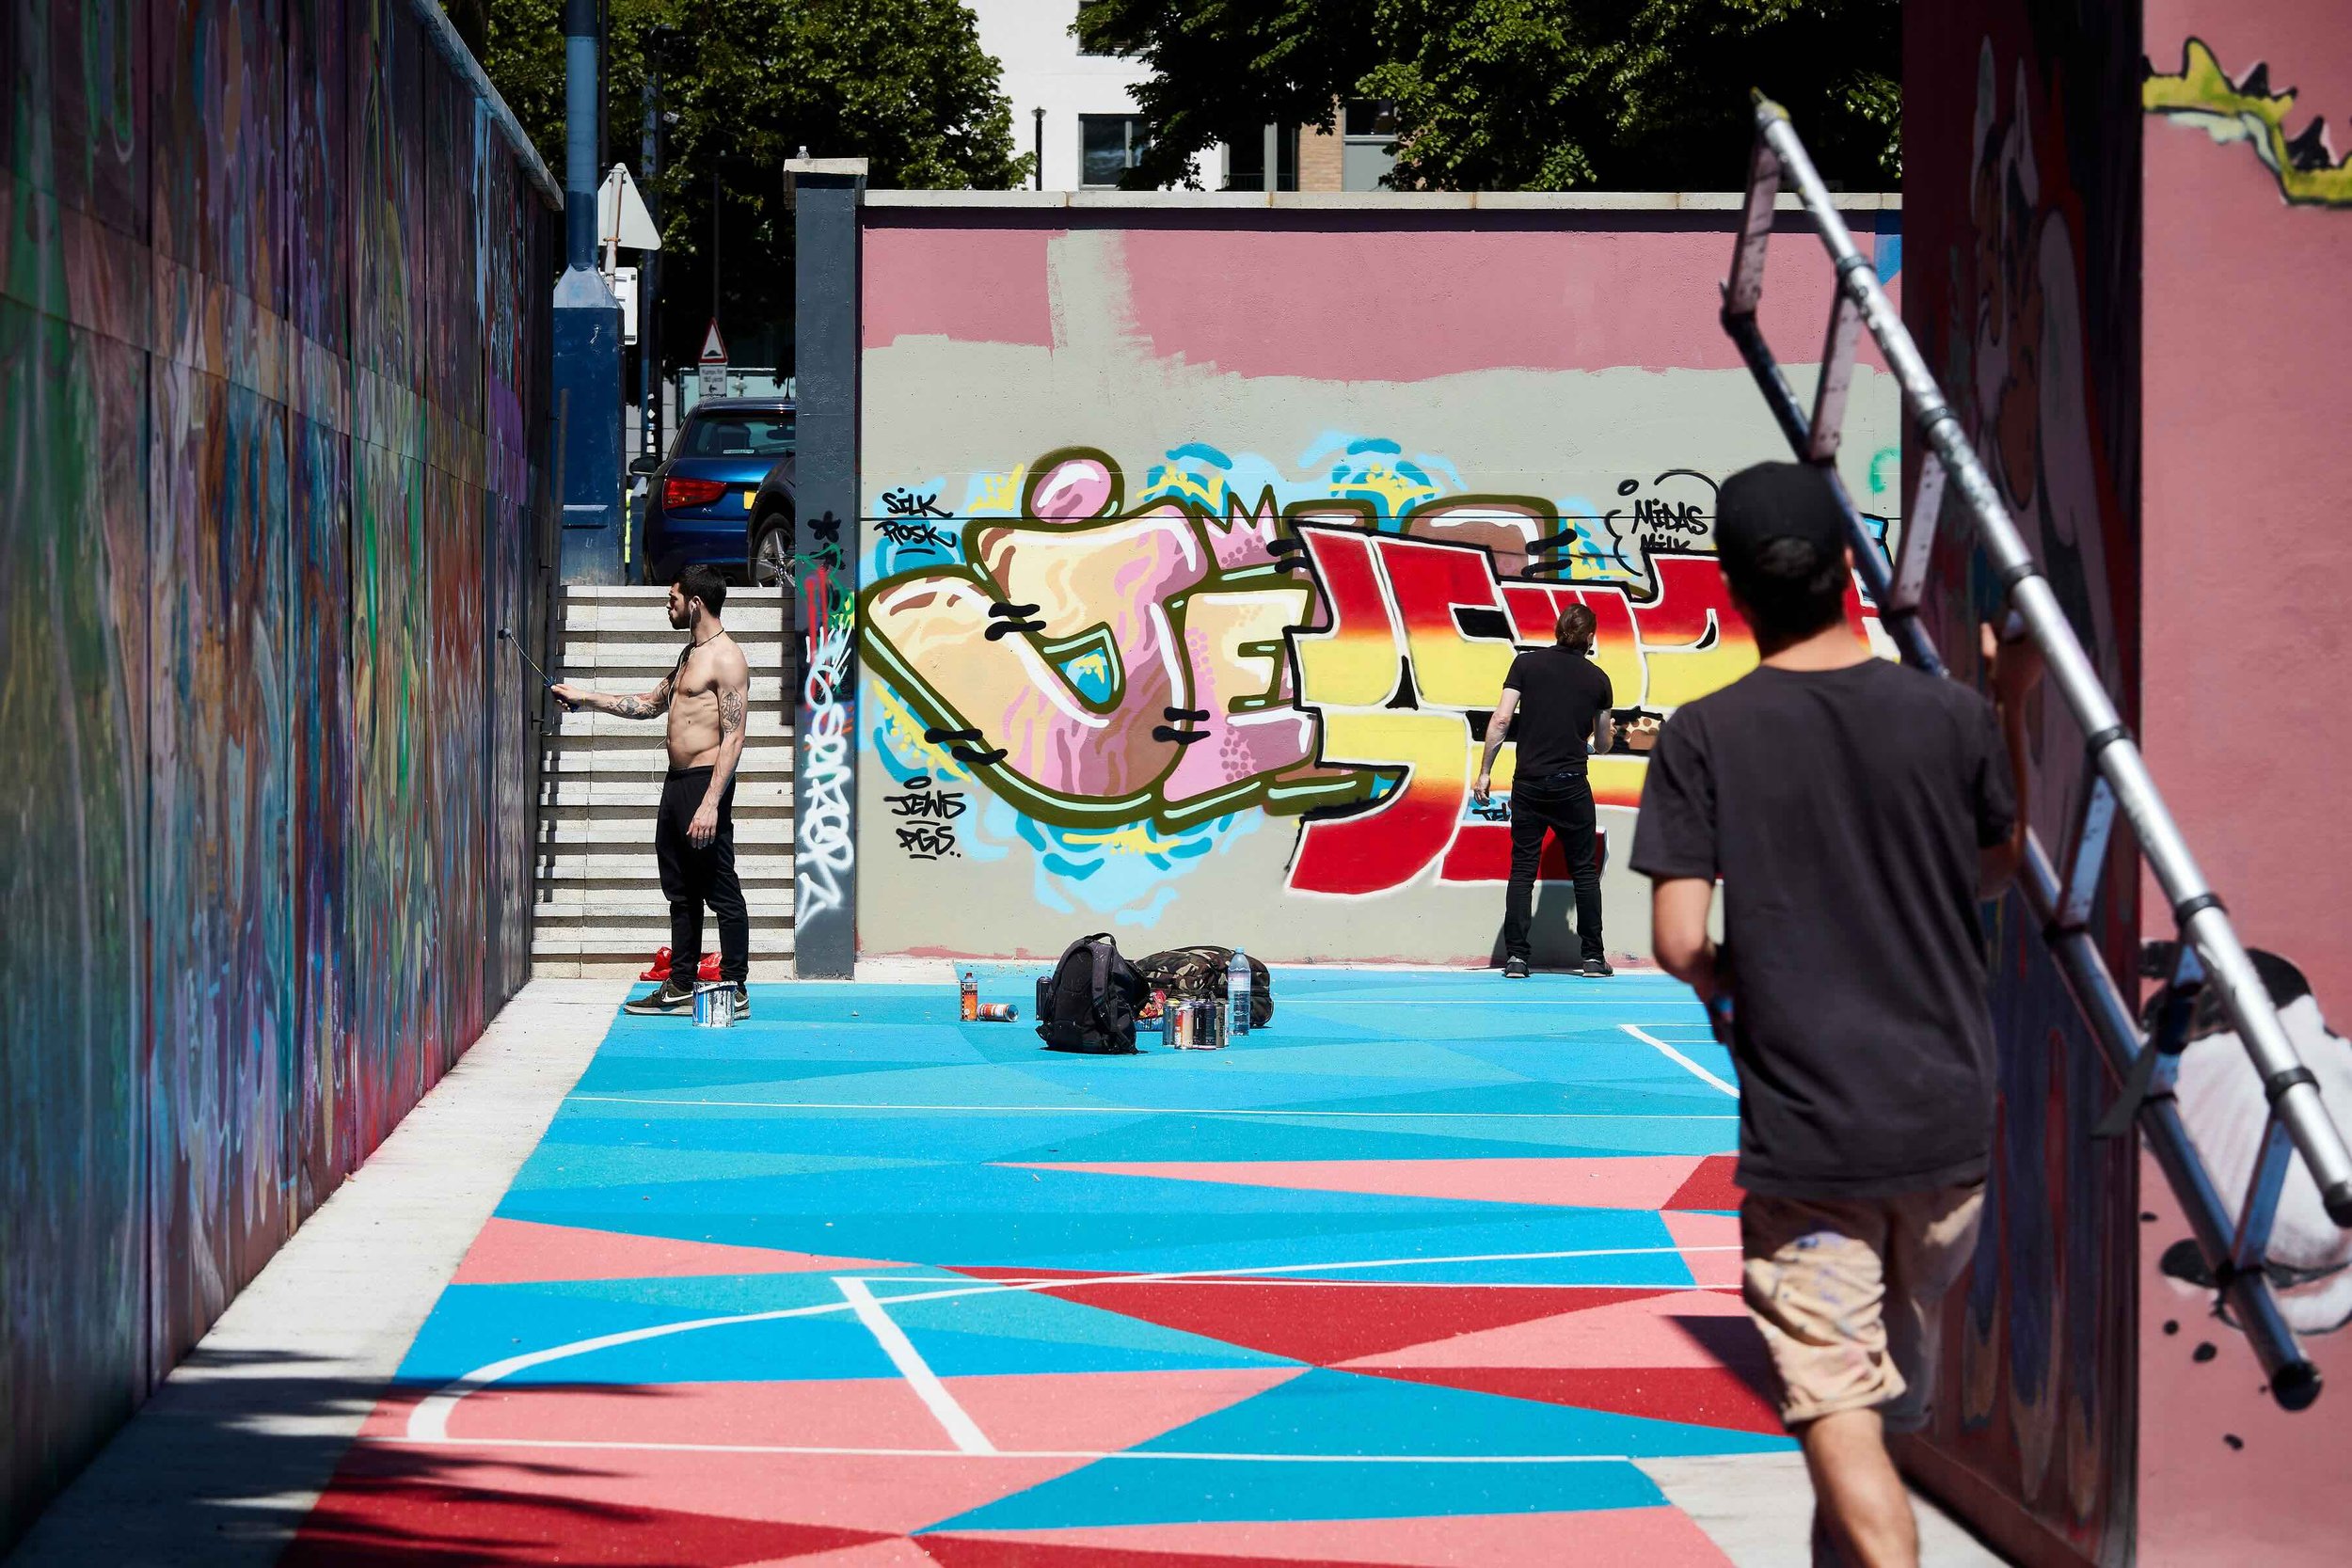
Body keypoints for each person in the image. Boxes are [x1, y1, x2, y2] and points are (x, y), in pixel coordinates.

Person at [1629, 462, 2040, 1568]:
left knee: (1836, 1409)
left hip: (1816, 1141)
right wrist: (2009, 698)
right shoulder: (1950, 715)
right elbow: (1998, 868)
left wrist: (1722, 983)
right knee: (1867, 1415)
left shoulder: (1706, 734)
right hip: (1946, 1131)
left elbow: (1673, 939)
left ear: (1730, 590)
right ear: (1851, 576)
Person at [553, 563, 755, 1017]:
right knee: (680, 890)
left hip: (705, 786)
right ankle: (682, 982)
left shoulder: (727, 658)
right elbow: (648, 705)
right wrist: (585, 698)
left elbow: (734, 736)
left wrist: (710, 805)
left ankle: (735, 987)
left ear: (695, 603)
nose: (669, 605)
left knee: (721, 888)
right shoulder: (689, 655)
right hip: (677, 784)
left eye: (673, 598)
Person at [1473, 605, 1654, 978]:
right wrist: (1586, 744)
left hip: (1528, 783)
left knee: (1522, 869)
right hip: (1571, 785)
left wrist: (1485, 772)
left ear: (1558, 631)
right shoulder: (1599, 680)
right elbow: (1603, 743)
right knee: (1584, 873)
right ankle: (1591, 957)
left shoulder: (1526, 665)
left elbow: (1502, 719)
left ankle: (1517, 958)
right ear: (1590, 637)